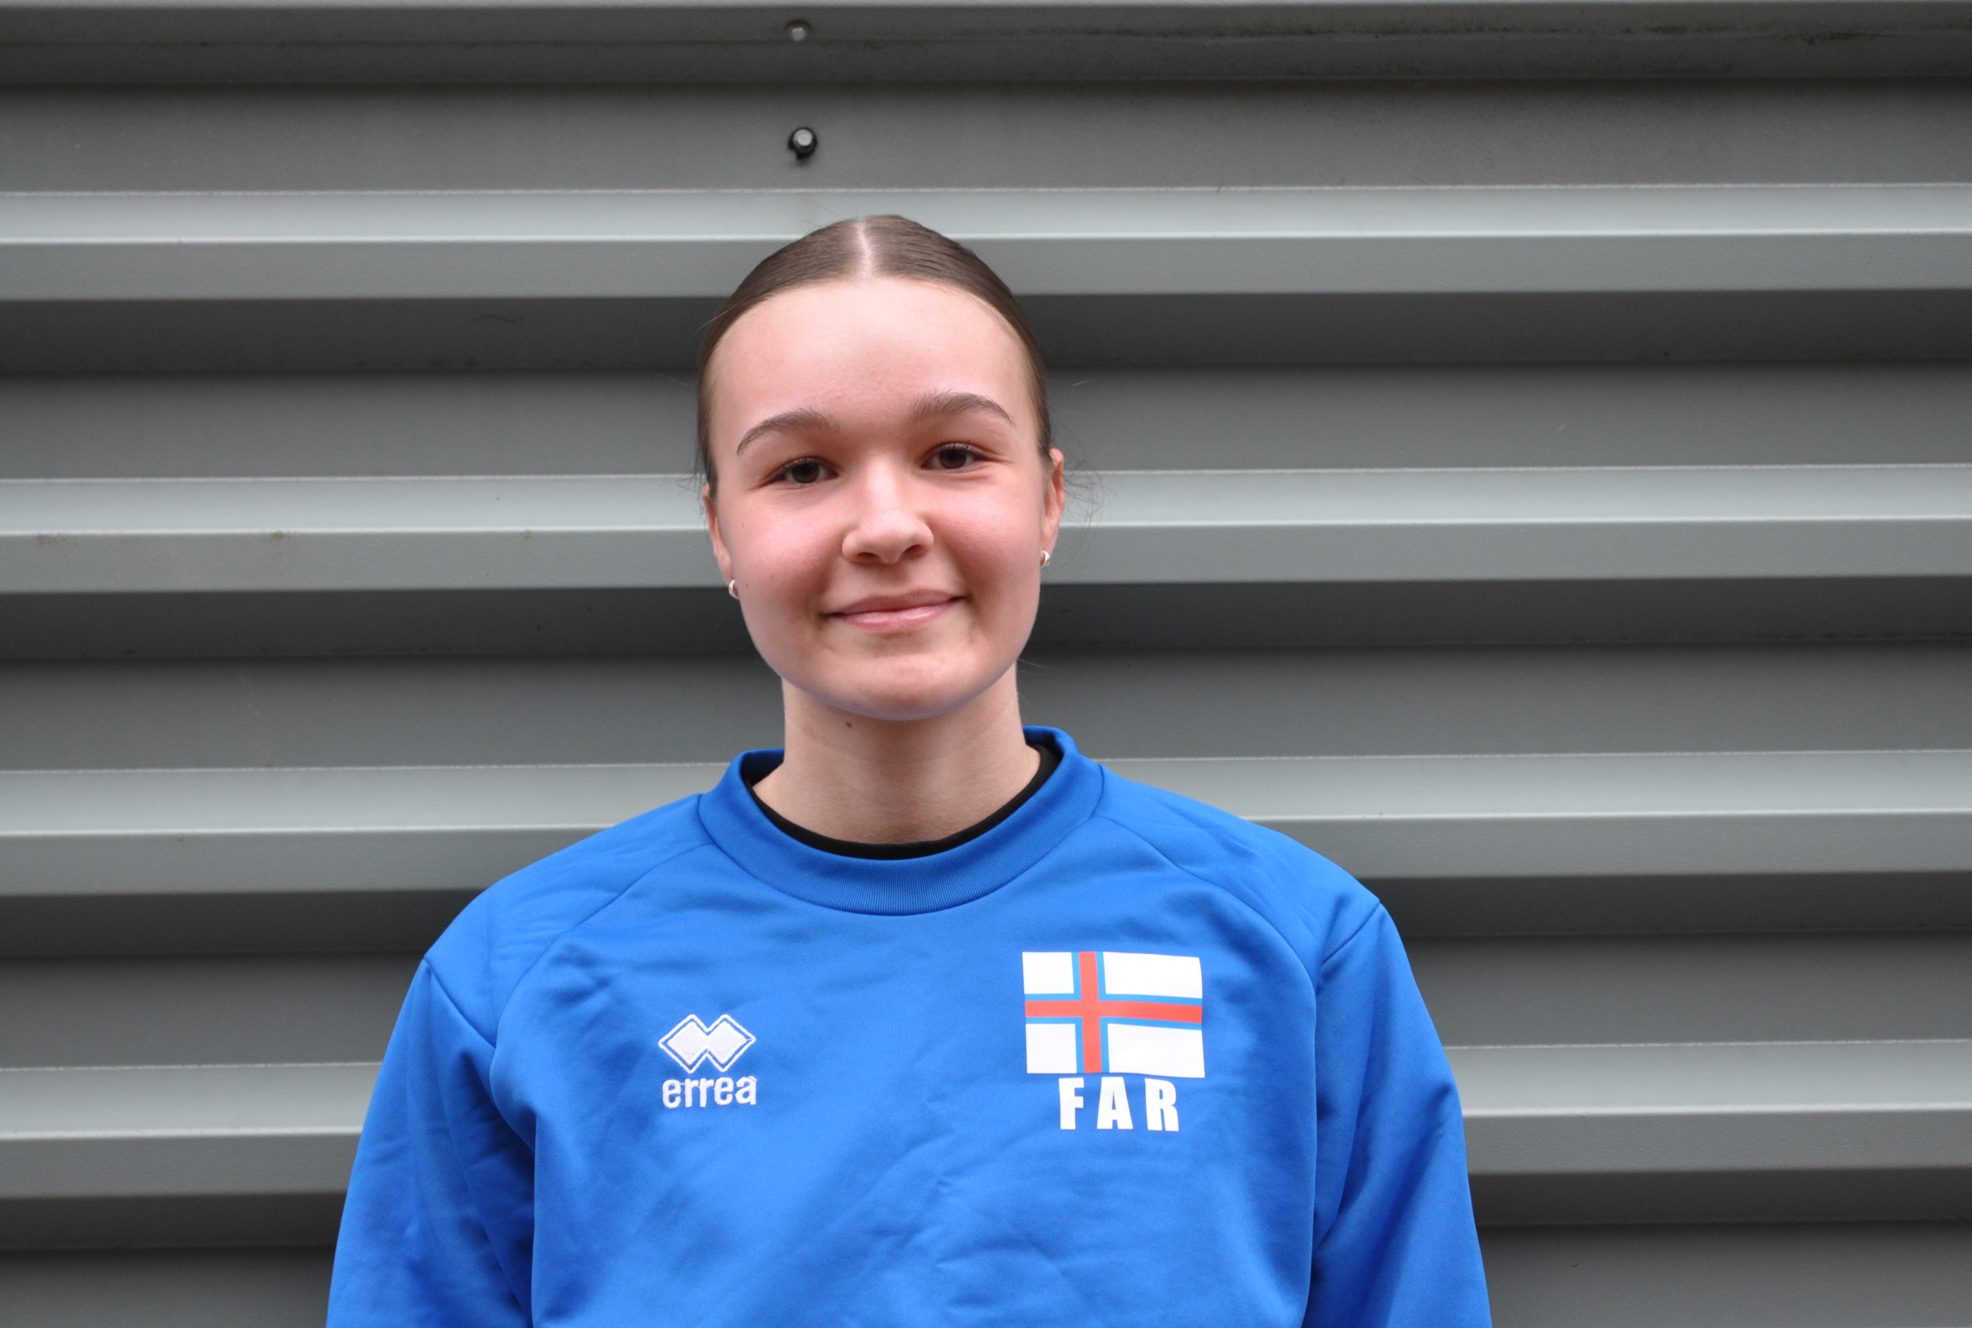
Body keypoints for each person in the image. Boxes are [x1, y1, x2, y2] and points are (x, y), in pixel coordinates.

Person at [328, 215, 1490, 1328]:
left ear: (1046, 496)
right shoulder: (516, 979)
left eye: (952, 454)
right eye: (802, 468)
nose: (885, 525)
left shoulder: (1297, 947)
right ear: (720, 529)